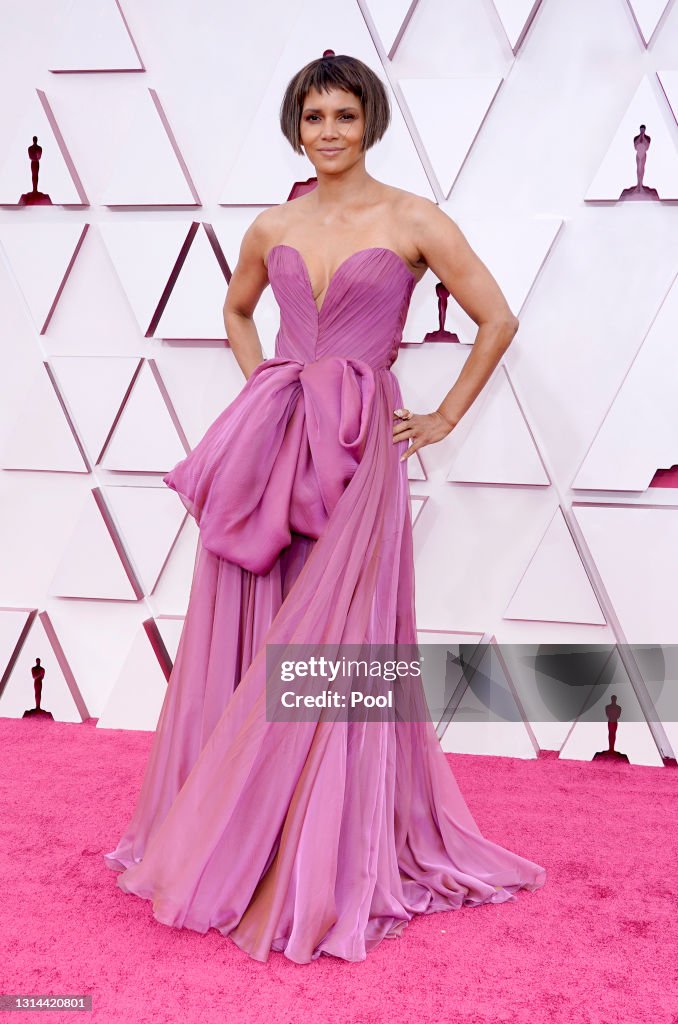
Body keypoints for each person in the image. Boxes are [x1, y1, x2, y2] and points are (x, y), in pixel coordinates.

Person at [103, 52, 546, 965]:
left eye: (345, 116)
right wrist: (271, 389)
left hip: (361, 452)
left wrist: (447, 415)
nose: (329, 132)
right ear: (295, 126)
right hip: (276, 445)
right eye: (314, 118)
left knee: (339, 640)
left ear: (369, 122)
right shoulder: (273, 224)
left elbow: (496, 316)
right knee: (261, 628)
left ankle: (327, 841)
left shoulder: (414, 218)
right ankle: (248, 834)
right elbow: (238, 311)